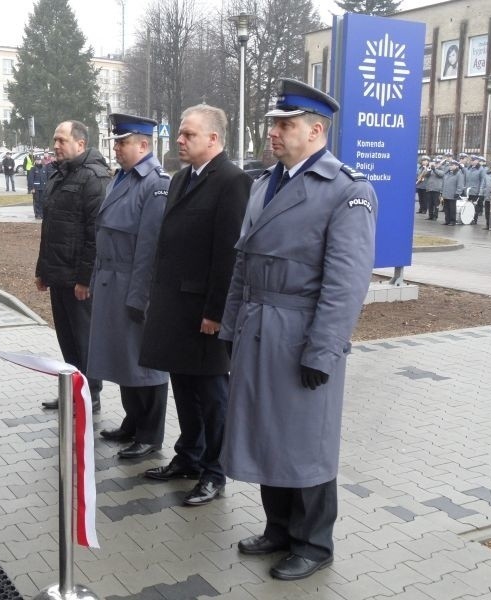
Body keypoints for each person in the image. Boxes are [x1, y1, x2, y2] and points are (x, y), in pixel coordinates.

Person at [219, 79, 377, 582]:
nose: (274, 132)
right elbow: (242, 263)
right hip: (258, 324)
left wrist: (323, 350)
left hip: (301, 332)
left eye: (285, 124)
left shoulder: (347, 191)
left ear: (316, 130)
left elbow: (345, 283)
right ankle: (279, 528)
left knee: (306, 441)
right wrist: (229, 327)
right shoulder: (266, 183)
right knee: (267, 431)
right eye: (273, 123)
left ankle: (314, 542)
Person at [139, 104, 251, 506]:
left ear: (214, 139)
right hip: (174, 307)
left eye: (188, 135)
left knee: (212, 396)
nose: (180, 140)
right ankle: (188, 455)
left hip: (204, 312)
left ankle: (215, 472)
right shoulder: (183, 178)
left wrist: (216, 313)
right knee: (183, 387)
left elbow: (228, 253)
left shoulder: (232, 181)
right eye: (180, 134)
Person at [88, 113, 170, 459]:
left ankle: (150, 434)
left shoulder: (155, 183)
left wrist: (141, 296)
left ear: (144, 144)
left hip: (133, 283)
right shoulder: (122, 178)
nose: (117, 148)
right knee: (121, 358)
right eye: (116, 142)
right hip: (111, 281)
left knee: (144, 362)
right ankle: (132, 423)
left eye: (123, 143)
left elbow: (150, 248)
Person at [35, 120, 110, 413]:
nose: (56, 145)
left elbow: (96, 233)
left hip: (79, 280)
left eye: (61, 140)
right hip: (59, 274)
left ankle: (90, 394)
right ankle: (71, 390)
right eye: (55, 140)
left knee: (85, 339)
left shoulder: (94, 177)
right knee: (66, 338)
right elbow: (49, 229)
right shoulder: (59, 175)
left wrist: (85, 278)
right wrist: (43, 270)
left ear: (80, 144)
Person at [441, 160, 464, 225]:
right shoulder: (447, 173)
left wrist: (458, 192)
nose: (450, 166)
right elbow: (443, 183)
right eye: (450, 165)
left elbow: (460, 184)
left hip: (453, 194)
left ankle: (452, 221)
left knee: (452, 208)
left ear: (456, 166)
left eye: (452, 165)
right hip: (446, 193)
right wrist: (441, 192)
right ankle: (447, 220)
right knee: (446, 208)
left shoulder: (459, 174)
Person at [423, 156, 445, 220]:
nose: (436, 164)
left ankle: (435, 216)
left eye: (437, 163)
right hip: (429, 189)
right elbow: (425, 175)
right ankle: (430, 216)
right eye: (435, 163)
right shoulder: (431, 169)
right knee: (430, 203)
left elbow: (441, 174)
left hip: (437, 189)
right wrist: (429, 170)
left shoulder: (441, 169)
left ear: (439, 163)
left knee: (436, 204)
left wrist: (434, 169)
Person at [27, 154, 49, 219]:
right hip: (36, 189)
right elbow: (30, 179)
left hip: (43, 188)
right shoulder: (33, 169)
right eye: (37, 160)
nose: (38, 161)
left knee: (42, 201)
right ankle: (37, 214)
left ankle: (42, 214)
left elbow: (47, 178)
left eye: (39, 160)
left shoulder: (44, 168)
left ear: (41, 160)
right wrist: (32, 188)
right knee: (37, 201)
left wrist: (47, 187)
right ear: (35, 161)